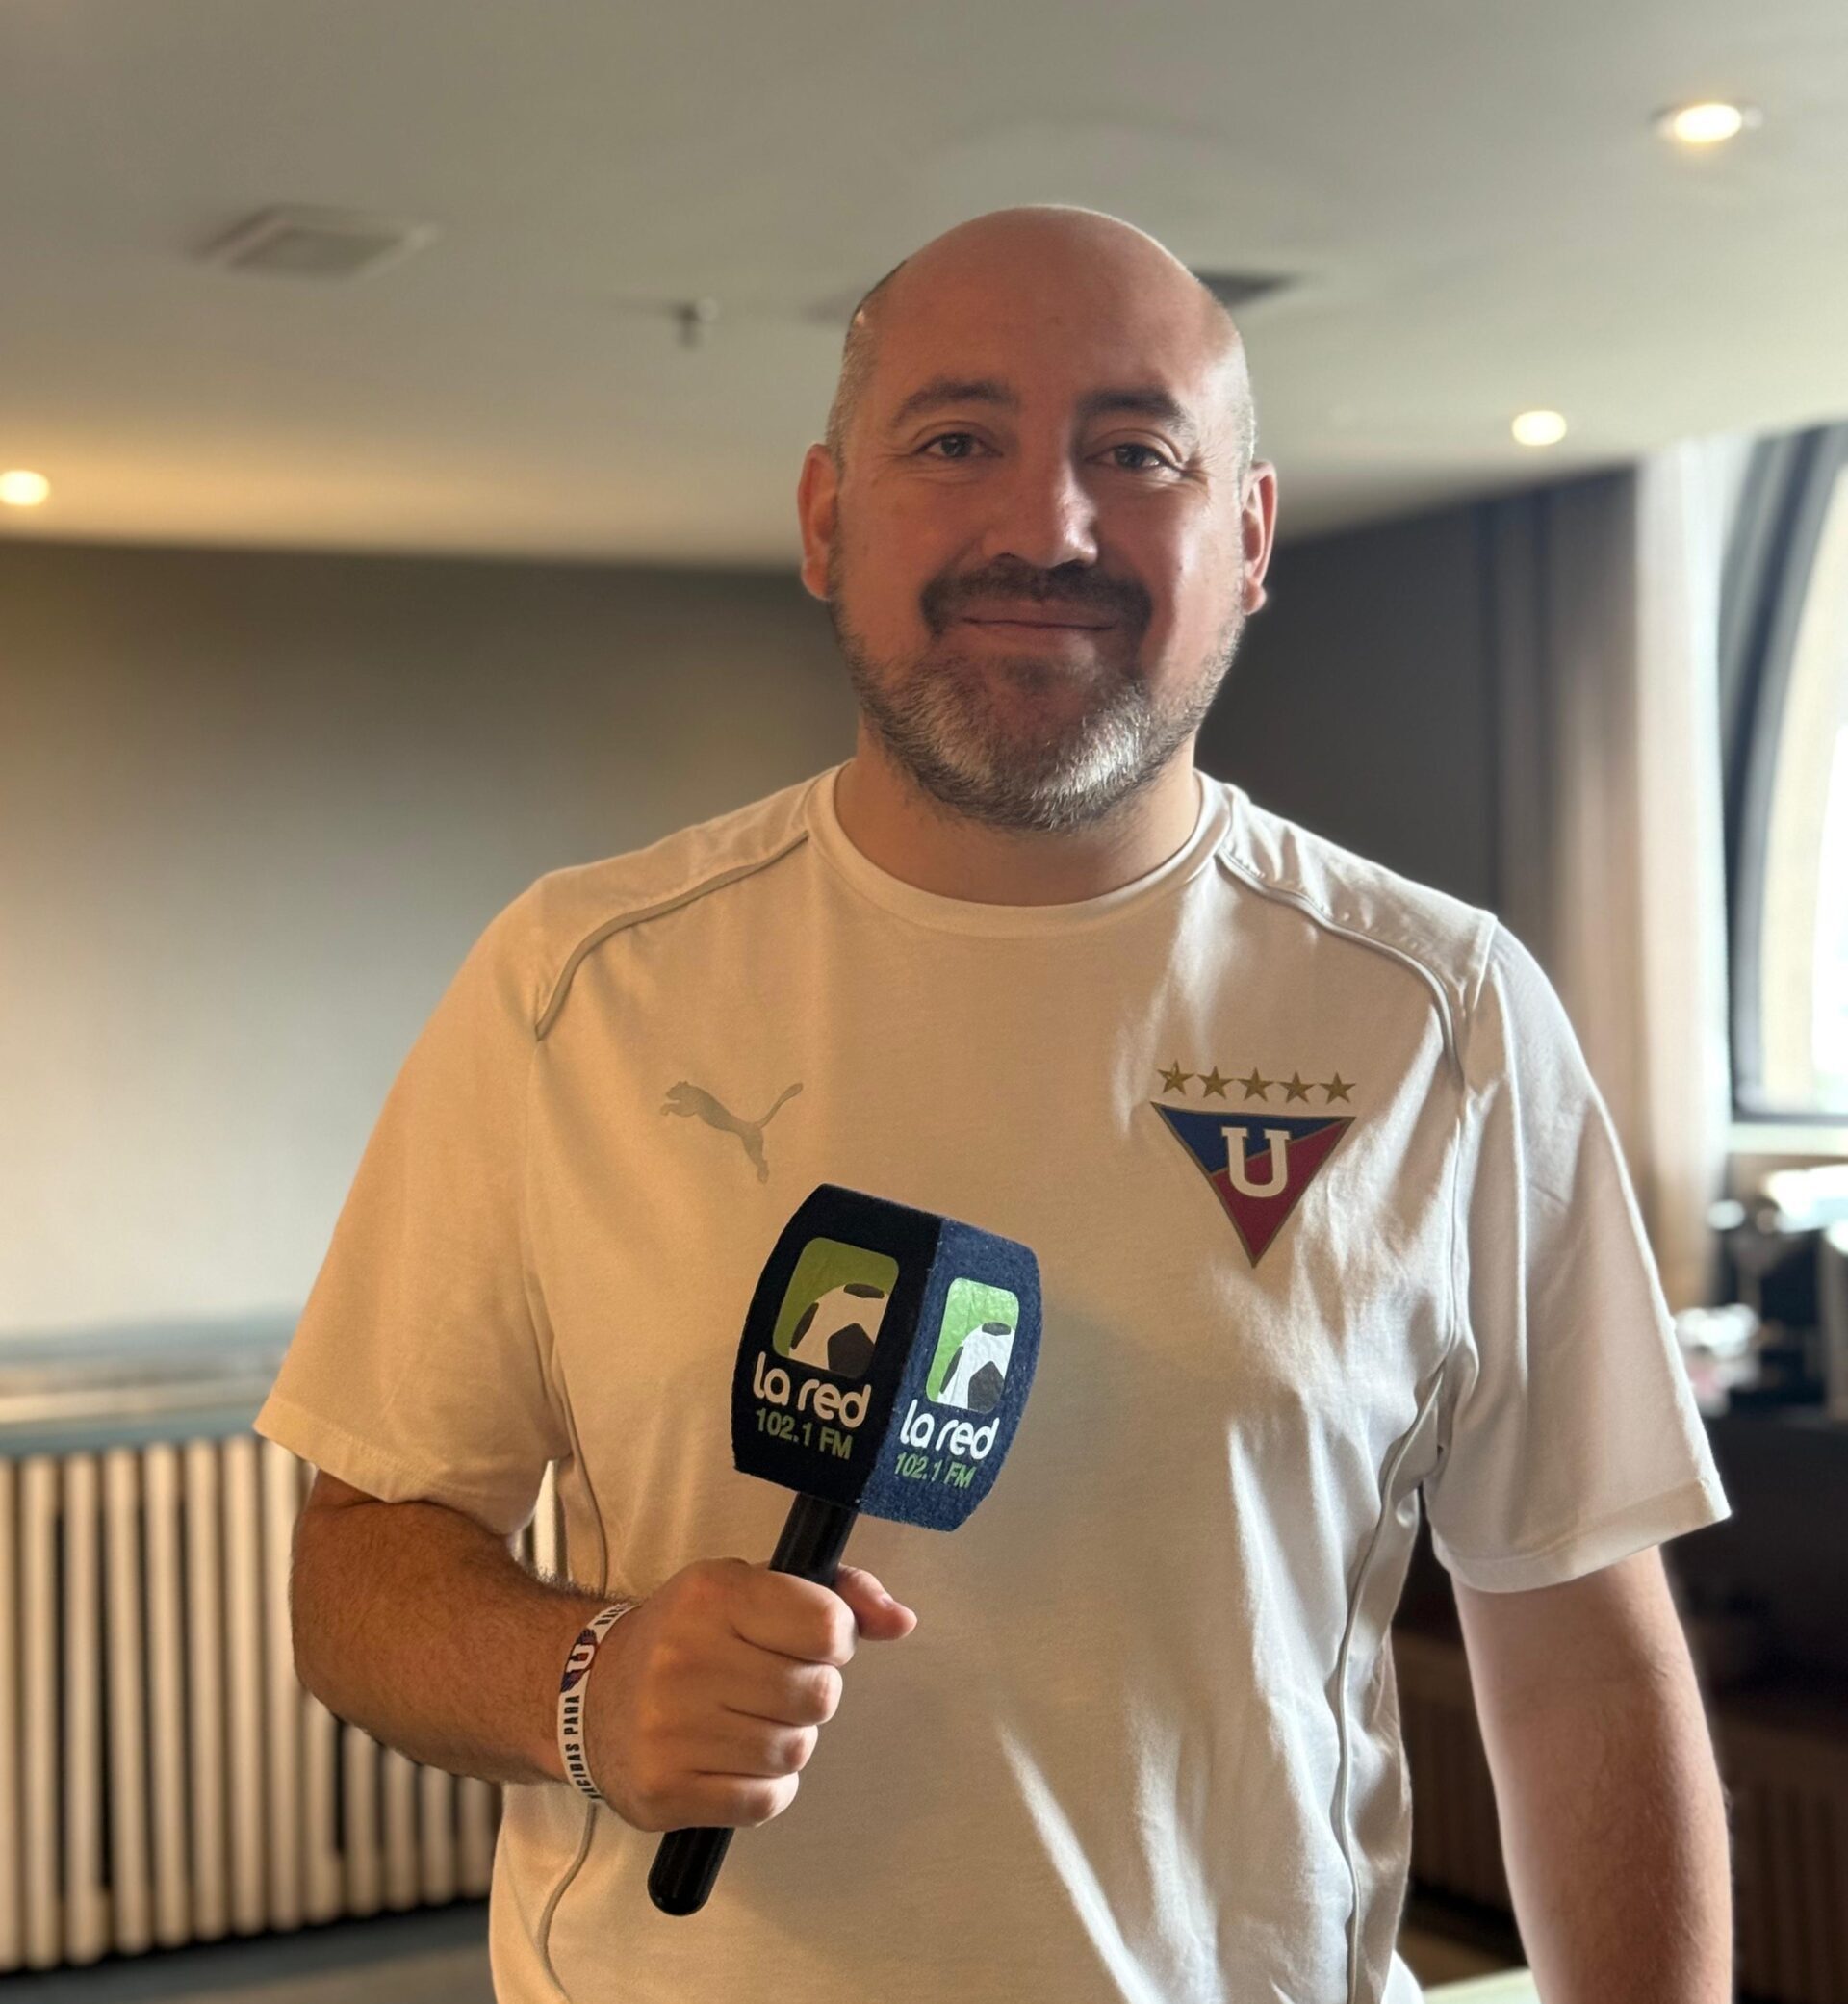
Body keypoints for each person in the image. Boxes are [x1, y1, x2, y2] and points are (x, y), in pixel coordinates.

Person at [259, 205, 1734, 2003]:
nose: (1050, 526)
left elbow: (1581, 1650)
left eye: (1139, 452)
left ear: (1249, 536)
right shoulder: (574, 985)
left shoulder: (1445, 1013)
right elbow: (363, 1563)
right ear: (827, 518)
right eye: (957, 439)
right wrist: (585, 1684)